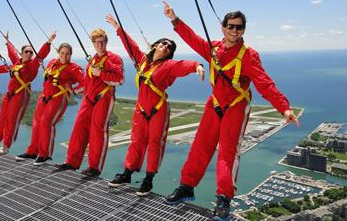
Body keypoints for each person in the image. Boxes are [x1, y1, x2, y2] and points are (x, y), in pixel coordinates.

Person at [162, 2, 299, 220]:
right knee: (200, 147)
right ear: (223, 27)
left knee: (227, 153)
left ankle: (224, 199)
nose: (235, 31)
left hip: (236, 106)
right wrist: (174, 20)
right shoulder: (215, 48)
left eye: (239, 27)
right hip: (214, 103)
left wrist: (284, 108)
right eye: (231, 26)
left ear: (243, 30)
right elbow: (194, 40)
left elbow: (264, 84)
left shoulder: (248, 55)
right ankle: (187, 187)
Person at [105, 14, 205, 197]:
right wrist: (118, 28)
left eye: (170, 47)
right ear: (155, 45)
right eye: (163, 43)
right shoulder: (143, 61)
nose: (166, 46)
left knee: (154, 144)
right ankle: (127, 174)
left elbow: (182, 65)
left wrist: (197, 66)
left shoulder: (168, 66)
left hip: (158, 109)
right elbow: (131, 45)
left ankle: (148, 180)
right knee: (136, 141)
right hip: (141, 109)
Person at [55, 28, 124, 177]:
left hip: (103, 98)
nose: (99, 44)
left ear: (106, 42)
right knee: (79, 128)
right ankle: (72, 162)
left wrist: (102, 73)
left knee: (97, 131)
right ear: (93, 44)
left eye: (101, 41)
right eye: (96, 42)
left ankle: (94, 168)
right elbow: (87, 82)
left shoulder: (114, 58)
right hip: (88, 98)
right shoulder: (92, 60)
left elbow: (120, 79)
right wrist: (73, 90)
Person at [0, 32, 56, 156]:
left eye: (31, 52)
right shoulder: (17, 62)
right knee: (2, 119)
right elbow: (11, 53)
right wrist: (7, 42)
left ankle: (6, 146)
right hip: (9, 95)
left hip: (21, 94)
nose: (29, 54)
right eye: (26, 52)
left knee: (12, 120)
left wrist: (48, 42)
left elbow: (40, 55)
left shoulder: (32, 65)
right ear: (22, 53)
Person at [15, 43, 85, 165]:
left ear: (70, 55)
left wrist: (73, 90)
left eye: (67, 54)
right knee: (36, 123)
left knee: (46, 122)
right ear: (58, 52)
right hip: (44, 97)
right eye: (62, 53)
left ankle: (44, 154)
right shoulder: (52, 62)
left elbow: (84, 84)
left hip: (59, 98)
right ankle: (33, 152)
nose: (64, 56)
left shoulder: (74, 68)